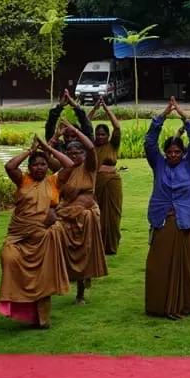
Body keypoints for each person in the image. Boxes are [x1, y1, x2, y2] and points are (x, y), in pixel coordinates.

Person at [0, 137, 71, 327]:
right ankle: (21, 310)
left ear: (47, 166)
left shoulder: (53, 182)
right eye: (35, 164)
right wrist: (29, 152)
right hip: (18, 236)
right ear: (30, 167)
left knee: (42, 279)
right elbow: (9, 166)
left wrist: (47, 148)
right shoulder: (23, 180)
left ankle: (42, 319)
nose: (39, 167)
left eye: (43, 164)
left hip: (44, 237)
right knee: (8, 257)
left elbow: (69, 165)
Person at [144, 98, 190, 319]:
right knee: (157, 265)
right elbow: (150, 142)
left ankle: (186, 303)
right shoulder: (158, 163)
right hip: (163, 222)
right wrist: (162, 115)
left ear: (182, 153)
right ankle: (159, 305)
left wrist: (182, 114)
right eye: (169, 152)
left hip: (186, 221)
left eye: (176, 152)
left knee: (189, 264)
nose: (172, 155)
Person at [51, 117, 109, 304]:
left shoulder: (89, 167)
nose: (75, 156)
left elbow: (91, 148)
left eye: (78, 153)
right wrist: (55, 137)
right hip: (66, 215)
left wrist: (74, 131)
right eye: (70, 153)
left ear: (84, 155)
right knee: (61, 248)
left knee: (84, 253)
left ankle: (80, 293)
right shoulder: (64, 170)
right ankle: (57, 284)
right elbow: (45, 155)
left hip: (85, 216)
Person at [91, 101, 124, 255]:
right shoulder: (91, 147)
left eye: (103, 134)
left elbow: (117, 127)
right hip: (96, 183)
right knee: (97, 213)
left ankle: (110, 245)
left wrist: (106, 109)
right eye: (97, 134)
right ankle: (97, 245)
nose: (100, 137)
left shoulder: (112, 145)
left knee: (112, 213)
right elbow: (83, 127)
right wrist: (94, 109)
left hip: (112, 182)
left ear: (108, 135)